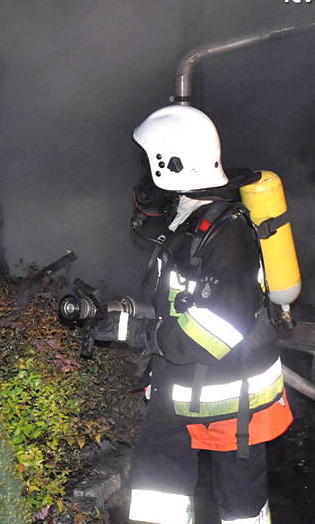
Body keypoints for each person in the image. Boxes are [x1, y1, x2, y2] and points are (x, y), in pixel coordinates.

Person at [90, 105, 293, 524]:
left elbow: (216, 330)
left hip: (232, 399)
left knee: (241, 509)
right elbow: (173, 302)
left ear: (172, 163)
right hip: (178, 388)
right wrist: (119, 314)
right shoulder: (188, 219)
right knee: (156, 500)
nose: (145, 173)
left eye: (150, 162)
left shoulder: (228, 233)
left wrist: (139, 334)